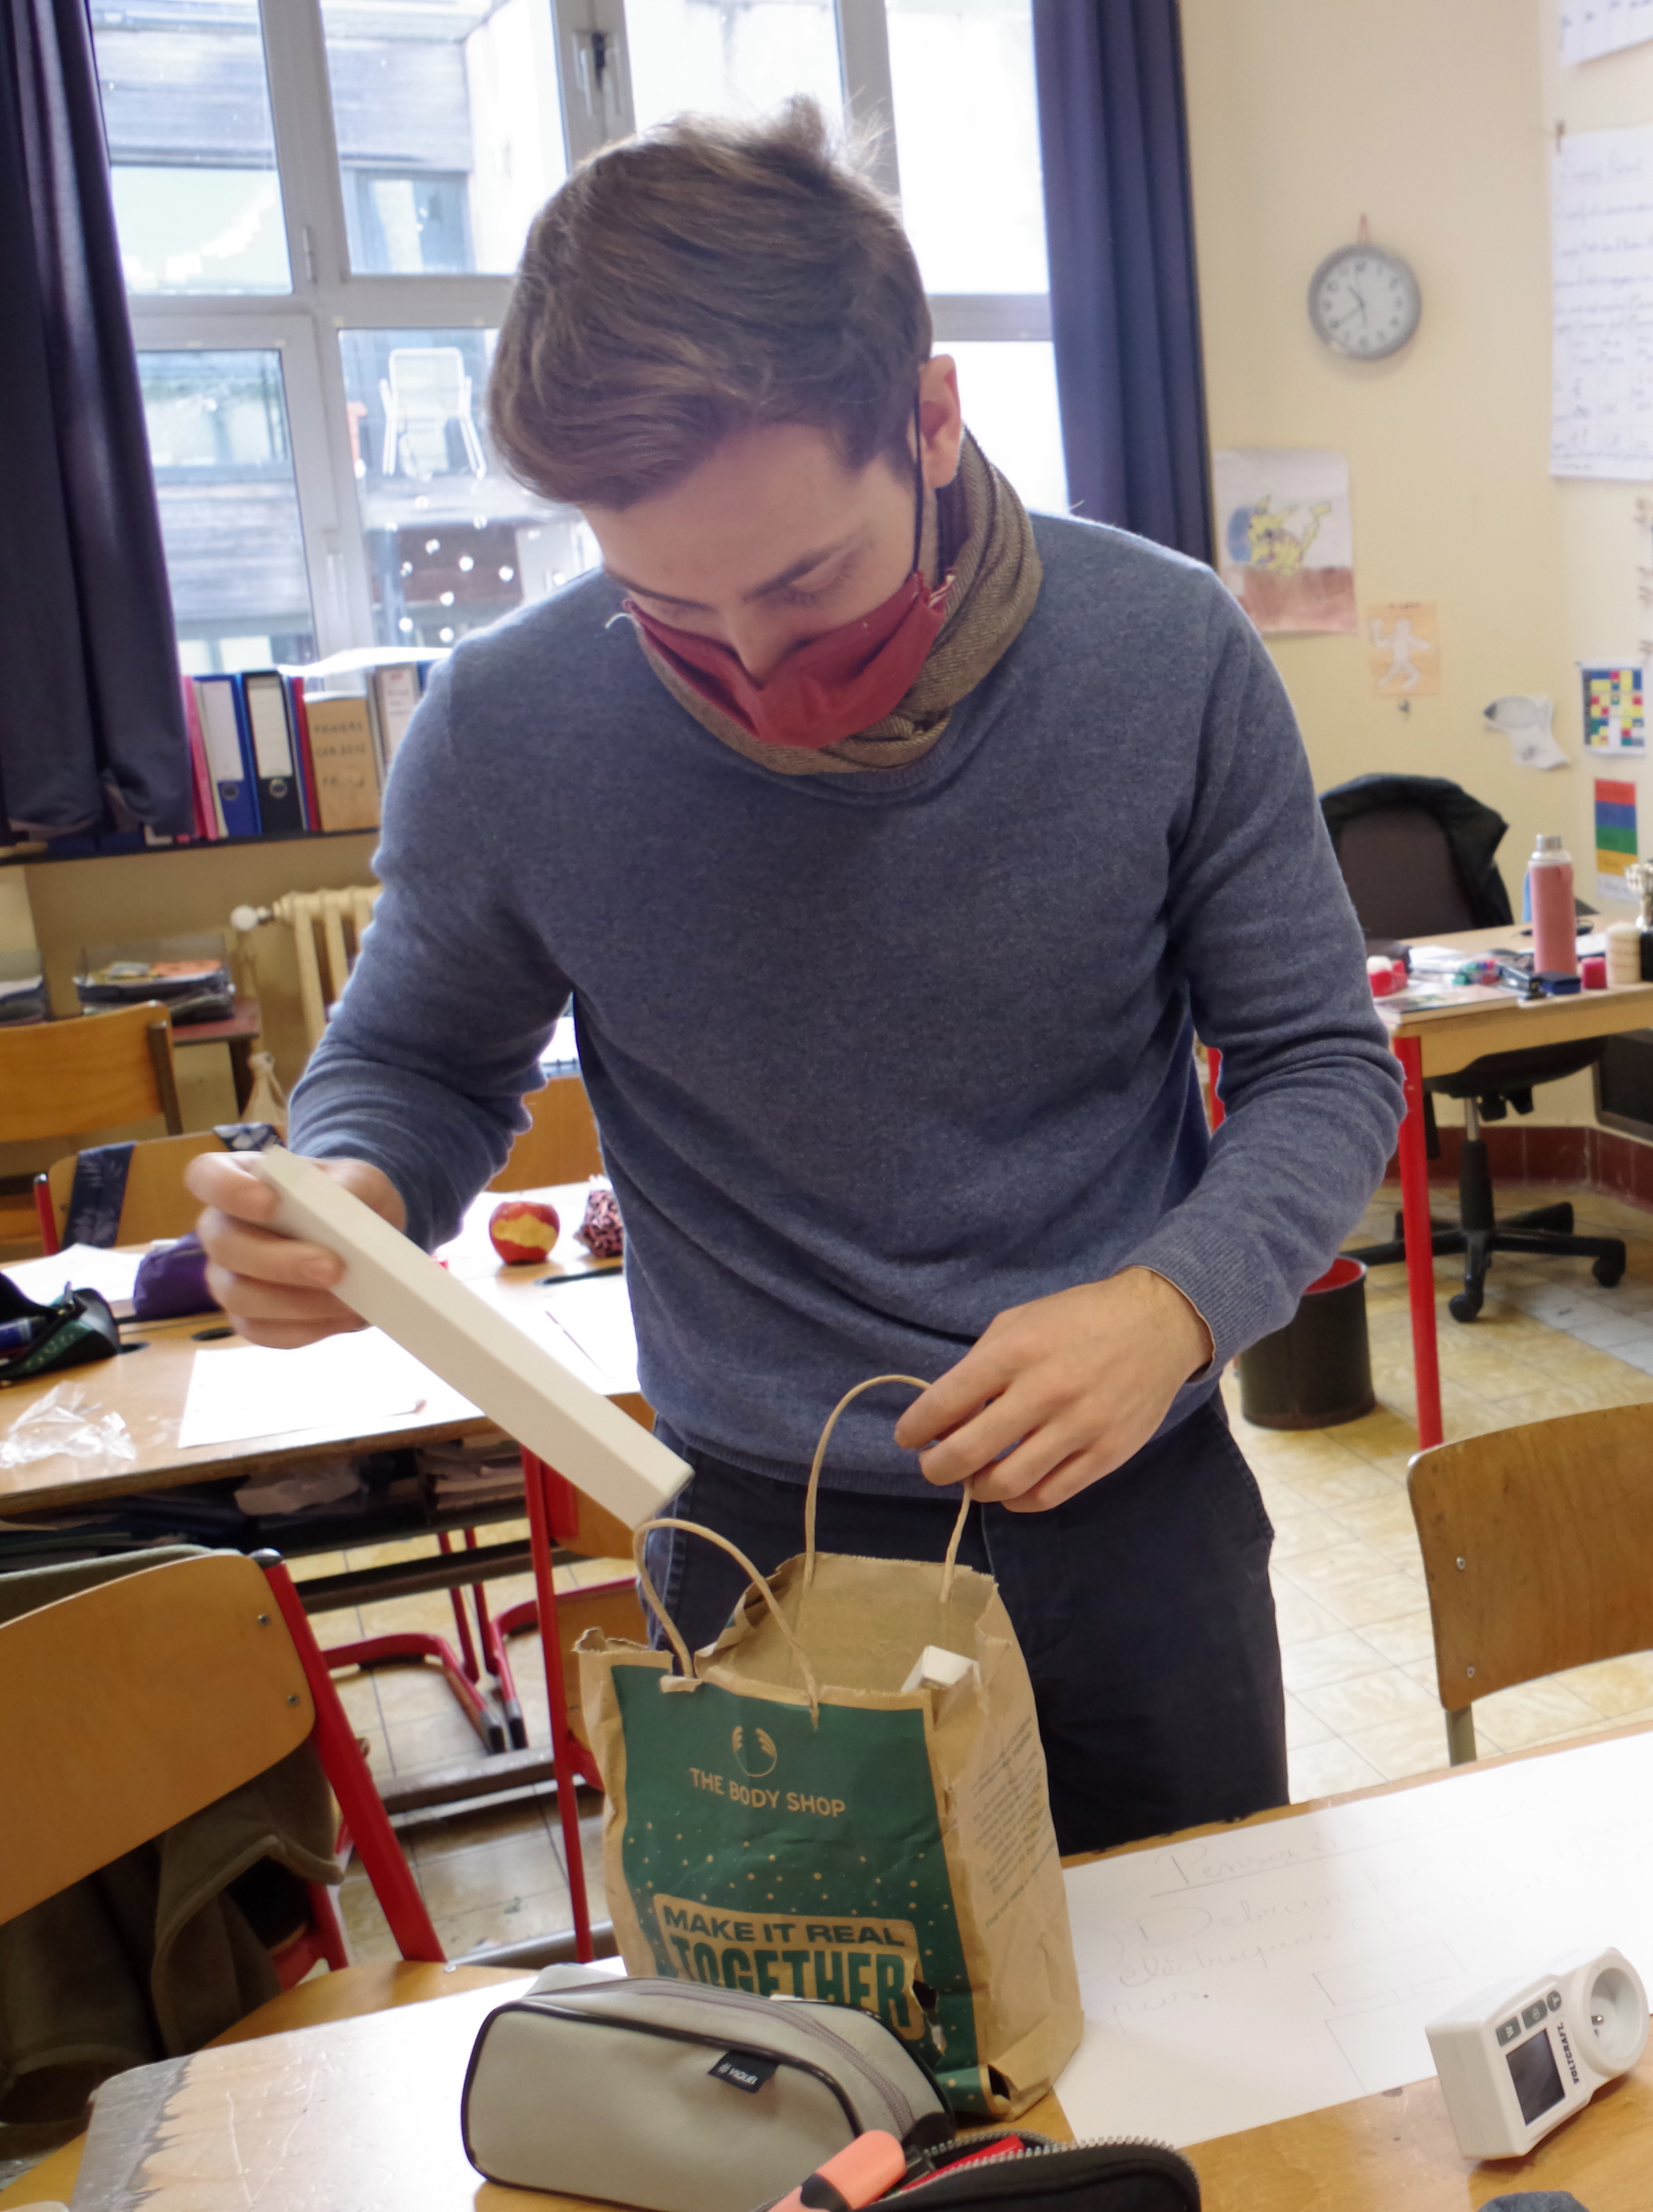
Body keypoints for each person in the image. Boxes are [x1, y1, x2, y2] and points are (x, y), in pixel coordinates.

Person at [181, 104, 1405, 1854]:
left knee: (1209, 2060)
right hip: (755, 1545)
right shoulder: (511, 726)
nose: (757, 672)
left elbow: (1319, 1064)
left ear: (927, 417)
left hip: (1131, 1515)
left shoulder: (1164, 650)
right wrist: (353, 1193)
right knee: (818, 2087)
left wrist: (1177, 1302)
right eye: (672, 608)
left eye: (807, 584)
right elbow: (423, 1061)